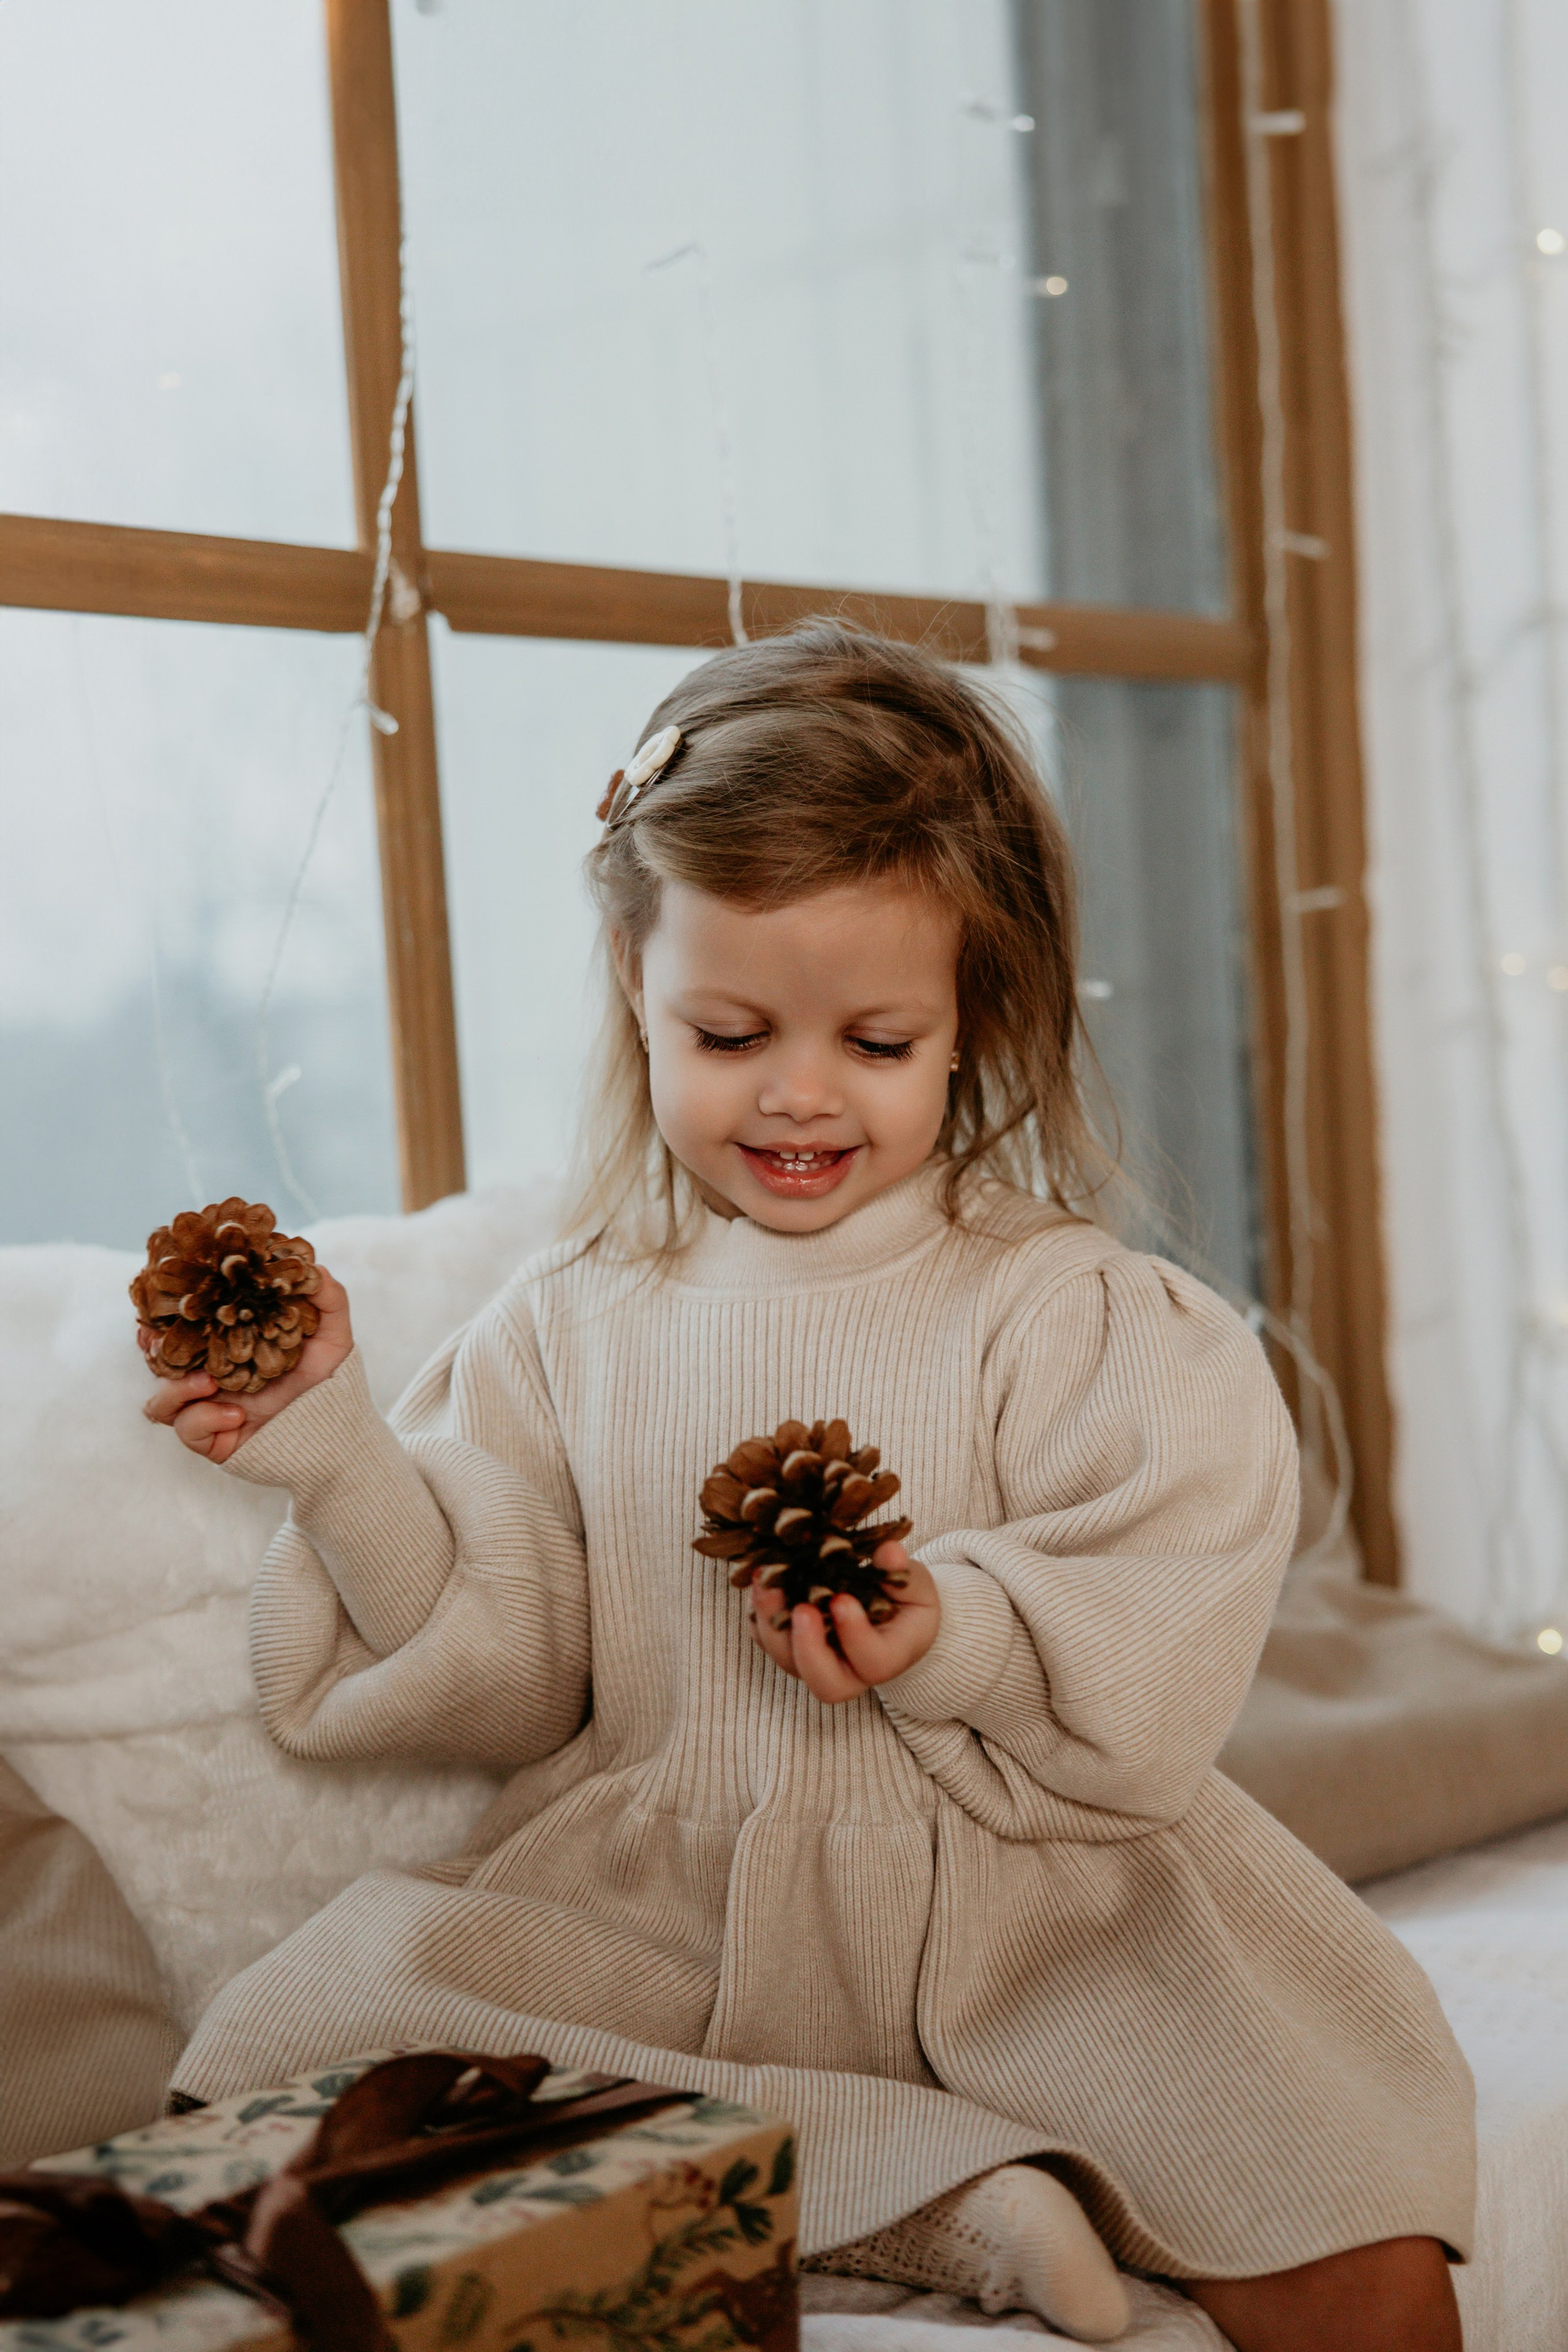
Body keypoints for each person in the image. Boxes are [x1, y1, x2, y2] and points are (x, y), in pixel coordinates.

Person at [153, 625, 1472, 2348]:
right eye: (728, 1030)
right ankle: (946, 2201)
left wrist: (957, 1629)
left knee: (1344, 2221)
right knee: (305, 2066)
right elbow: (501, 1645)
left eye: (873, 1038)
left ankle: (924, 2171)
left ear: (973, 1021)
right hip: (663, 1910)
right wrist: (332, 1453)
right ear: (637, 982)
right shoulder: (569, 1322)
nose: (795, 1092)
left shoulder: (1064, 1306)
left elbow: (1168, 1586)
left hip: (1030, 1902)